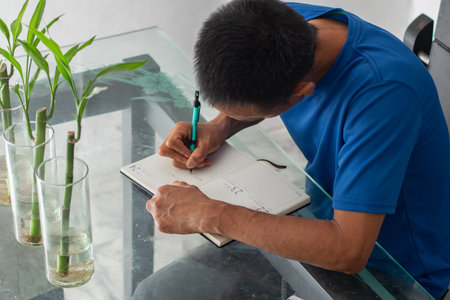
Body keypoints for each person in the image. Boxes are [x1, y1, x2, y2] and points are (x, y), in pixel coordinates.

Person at [146, 0, 450, 298]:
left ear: (303, 92)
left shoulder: (384, 95)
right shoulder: (275, 25)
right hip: (320, 219)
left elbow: (348, 250)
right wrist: (220, 126)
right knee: (155, 292)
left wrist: (211, 215)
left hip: (393, 269)